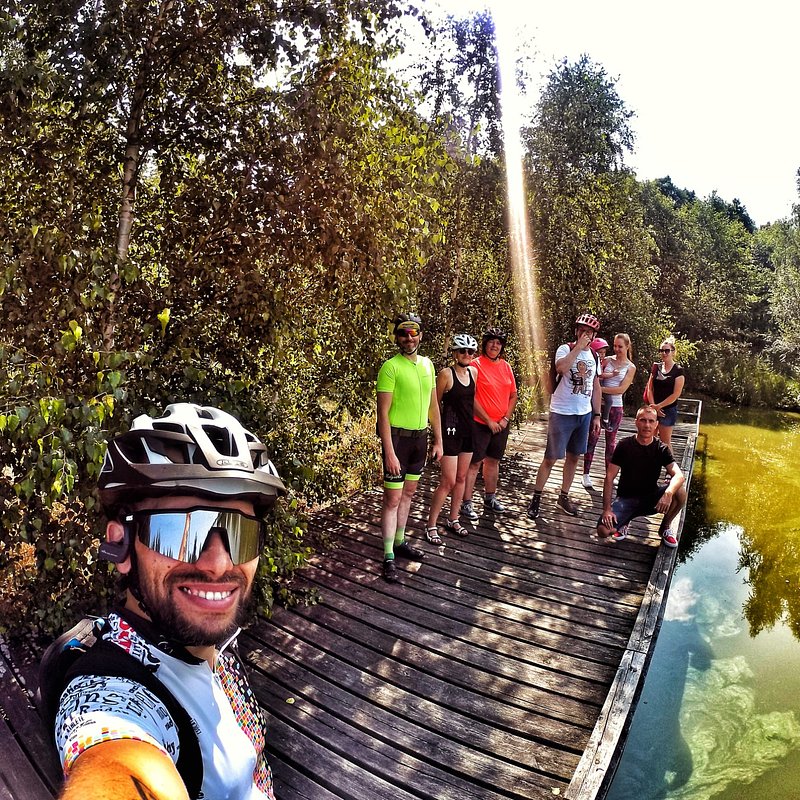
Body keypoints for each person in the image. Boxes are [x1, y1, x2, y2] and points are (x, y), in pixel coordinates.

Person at [51, 403, 287, 799]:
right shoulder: (109, 695)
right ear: (121, 546)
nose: (218, 564)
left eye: (240, 534)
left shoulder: (209, 647)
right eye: (180, 532)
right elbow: (114, 761)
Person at [376, 314, 443, 582]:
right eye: (403, 333)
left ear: (420, 335)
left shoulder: (428, 364)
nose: (409, 338)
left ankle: (400, 541)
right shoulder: (390, 367)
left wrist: (438, 440)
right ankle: (388, 555)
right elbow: (382, 414)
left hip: (419, 439)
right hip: (397, 440)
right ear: (397, 337)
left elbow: (433, 406)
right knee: (392, 499)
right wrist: (389, 453)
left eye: (413, 332)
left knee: (409, 494)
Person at [527, 312, 602, 519]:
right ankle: (536, 498)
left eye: (589, 332)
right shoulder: (565, 349)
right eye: (582, 331)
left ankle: (564, 496)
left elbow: (596, 386)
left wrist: (597, 415)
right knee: (550, 458)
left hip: (584, 413)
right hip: (562, 412)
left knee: (574, 457)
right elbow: (561, 368)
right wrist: (578, 347)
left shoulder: (594, 356)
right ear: (576, 331)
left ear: (595, 335)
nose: (585, 334)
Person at [596, 405, 687, 548]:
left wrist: (668, 493)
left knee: (680, 492)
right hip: (625, 500)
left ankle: (665, 527)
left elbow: (679, 475)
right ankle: (624, 521)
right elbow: (609, 478)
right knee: (603, 531)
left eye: (651, 421)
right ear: (636, 422)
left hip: (651, 499)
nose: (647, 425)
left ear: (656, 424)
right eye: (643, 420)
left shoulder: (661, 448)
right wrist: (607, 509)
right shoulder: (624, 445)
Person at [425, 333, 478, 541]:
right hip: (449, 432)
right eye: (462, 351)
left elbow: (470, 403)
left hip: (468, 432)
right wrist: (436, 435)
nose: (466, 354)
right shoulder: (446, 374)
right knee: (447, 481)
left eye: (470, 351)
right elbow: (434, 404)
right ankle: (431, 524)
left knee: (461, 478)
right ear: (455, 353)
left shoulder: (474, 372)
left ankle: (453, 519)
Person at [461, 328, 518, 519]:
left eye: (499, 342)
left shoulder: (506, 366)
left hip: (501, 424)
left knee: (493, 461)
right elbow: (470, 396)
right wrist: (488, 420)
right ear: (485, 343)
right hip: (479, 423)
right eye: (492, 341)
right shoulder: (475, 365)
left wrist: (505, 419)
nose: (495, 345)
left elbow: (513, 395)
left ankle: (490, 498)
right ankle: (466, 503)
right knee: (474, 463)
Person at [582, 333, 637, 490]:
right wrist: (597, 392)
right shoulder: (606, 360)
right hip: (599, 406)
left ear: (627, 347)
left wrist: (599, 390)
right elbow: (595, 377)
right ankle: (586, 474)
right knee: (592, 438)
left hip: (616, 407)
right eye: (615, 346)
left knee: (611, 443)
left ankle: (610, 475)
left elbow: (621, 389)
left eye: (620, 346)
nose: (617, 349)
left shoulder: (630, 367)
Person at [644, 335, 685, 451]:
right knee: (649, 439)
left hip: (668, 410)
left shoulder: (678, 370)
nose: (664, 353)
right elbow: (649, 388)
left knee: (665, 442)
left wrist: (659, 406)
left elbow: (676, 394)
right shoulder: (656, 367)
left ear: (673, 352)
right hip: (653, 409)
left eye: (667, 350)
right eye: (661, 350)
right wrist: (654, 407)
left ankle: (670, 463)